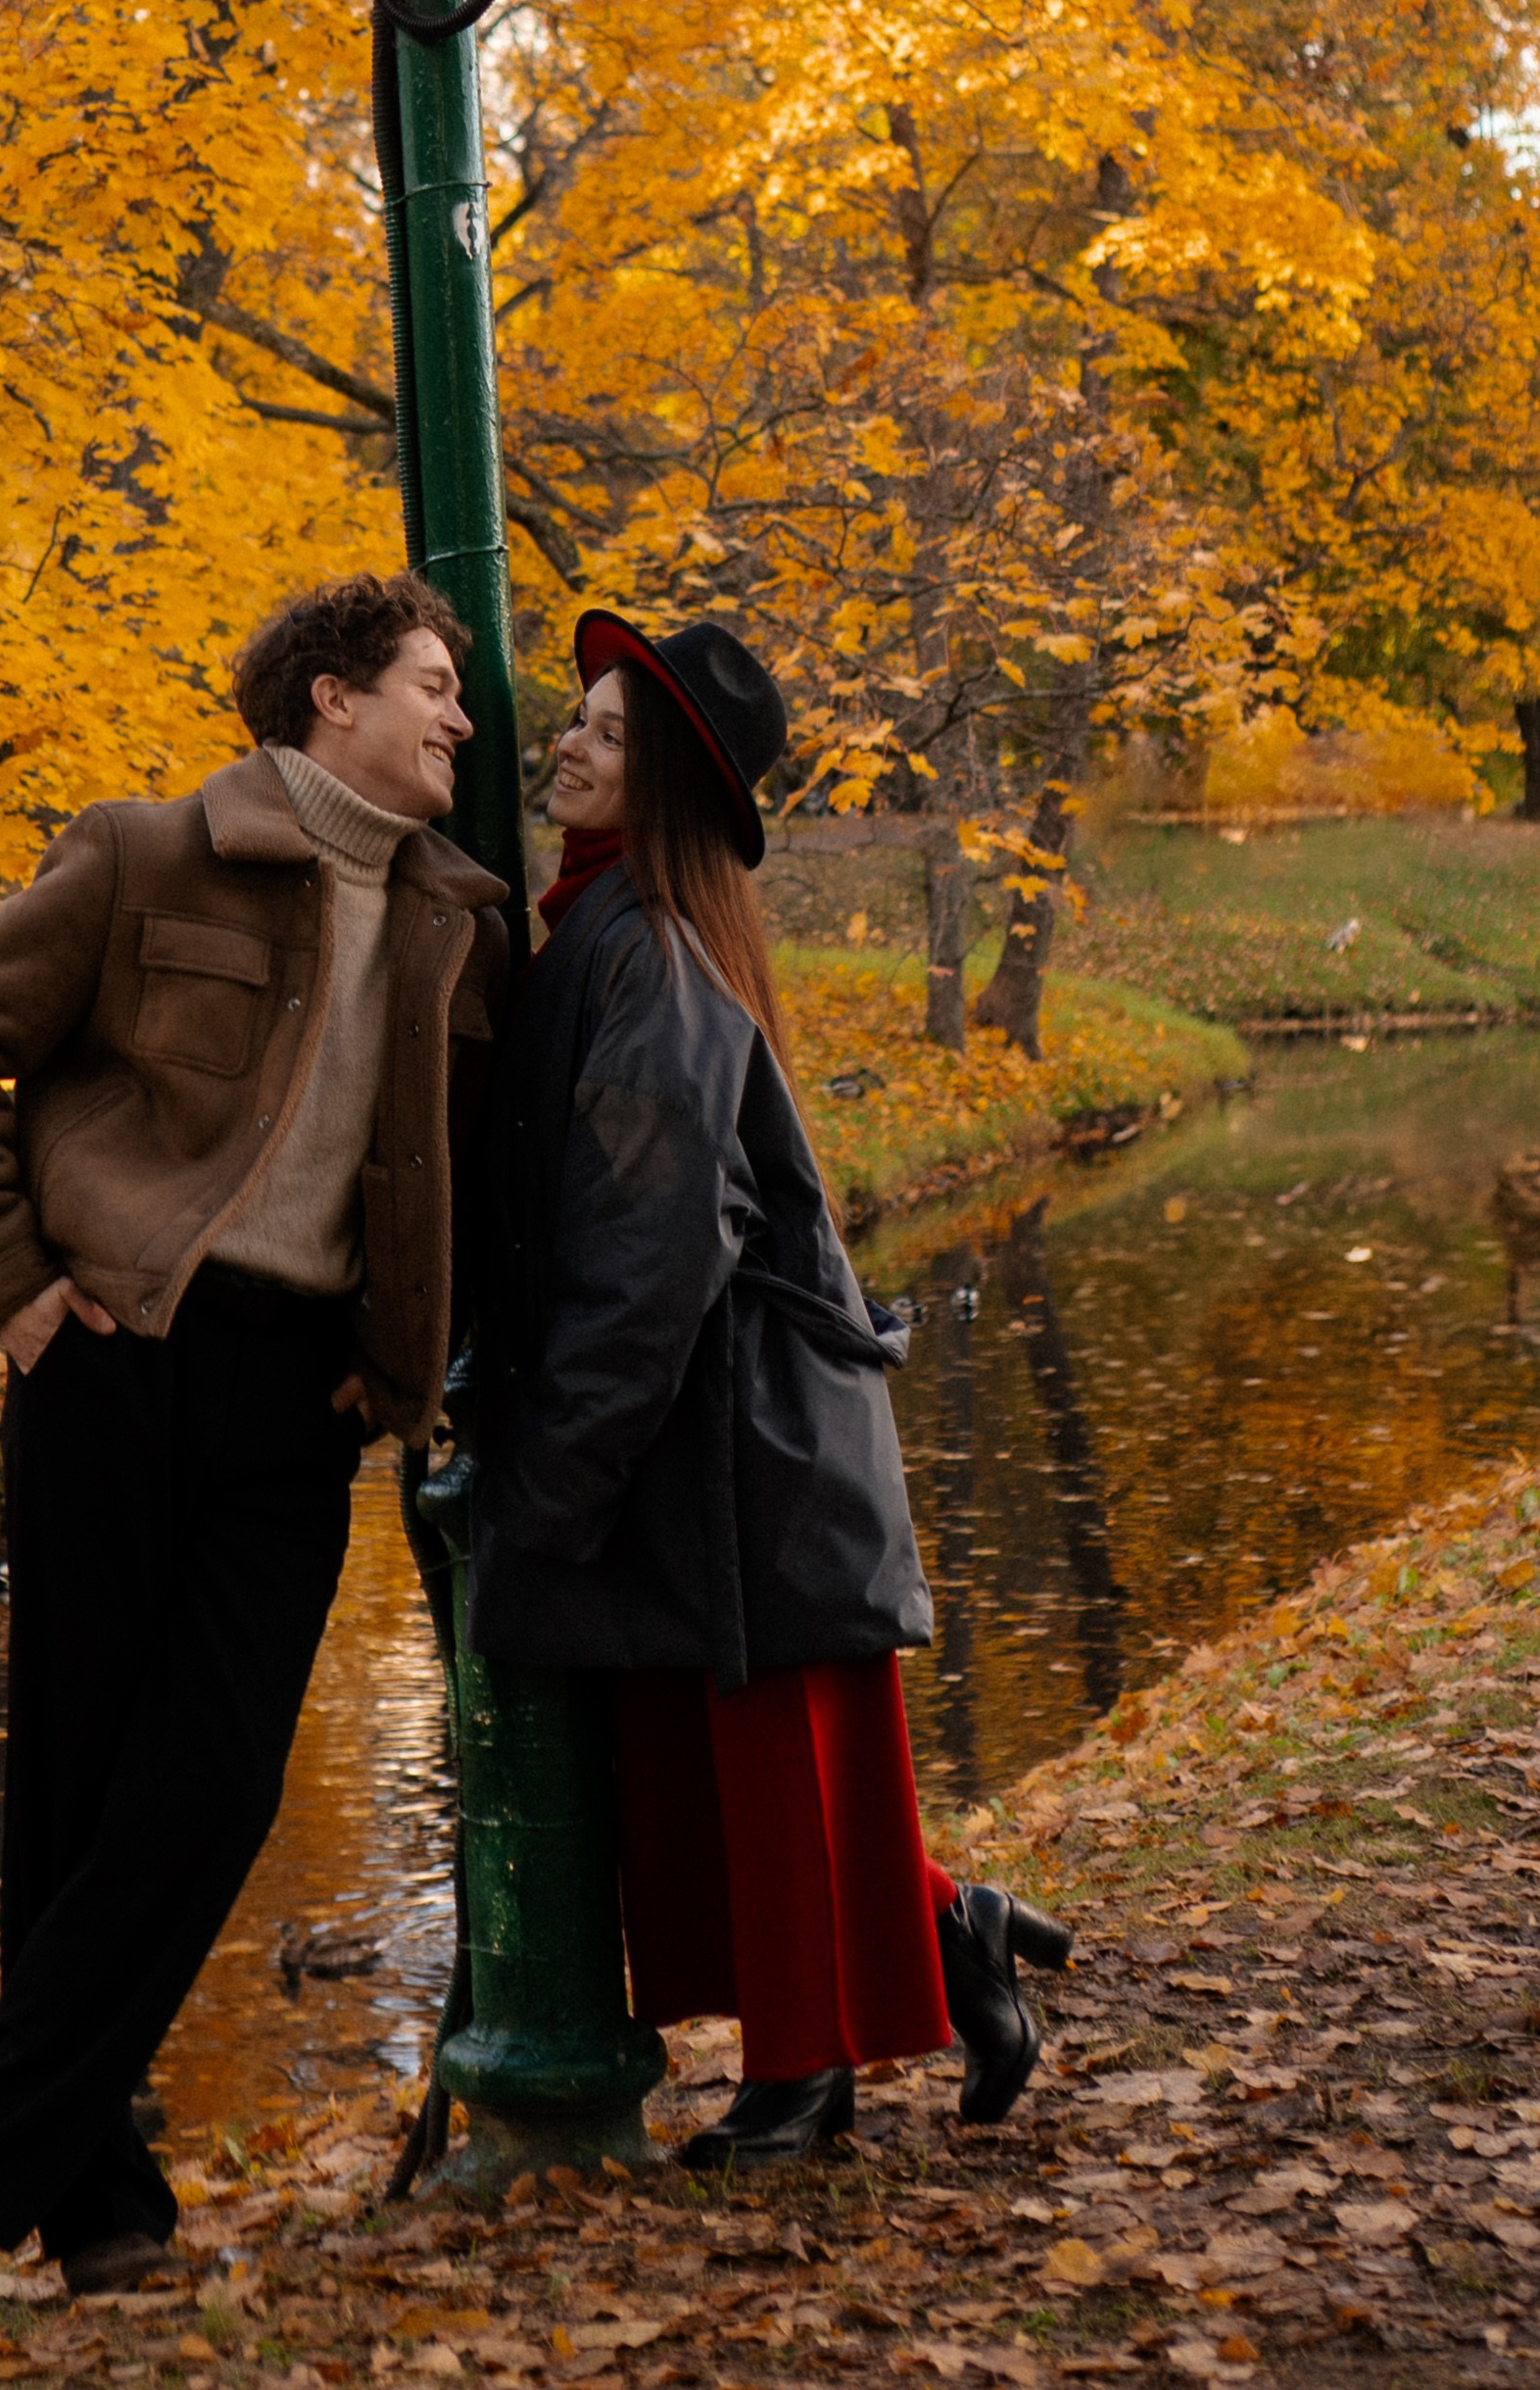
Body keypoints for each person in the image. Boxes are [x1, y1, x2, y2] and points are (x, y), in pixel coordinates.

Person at [0, 571, 510, 2311]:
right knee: (79, 1791)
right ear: (329, 701)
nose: (463, 721)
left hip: (299, 1396)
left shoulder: (461, 920)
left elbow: (453, 1178)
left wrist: (404, 1362)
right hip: (114, 1360)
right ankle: (99, 2211)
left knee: (214, 1788)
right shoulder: (147, 853)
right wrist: (8, 1295)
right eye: (435, 687)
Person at [468, 610, 1070, 2167]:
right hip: (704, 1444)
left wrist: (550, 1484)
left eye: (607, 729)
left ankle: (805, 2081)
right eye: (581, 719)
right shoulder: (611, 925)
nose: (571, 744)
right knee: (712, 1779)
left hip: (742, 1450)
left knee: (768, 1769)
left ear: (661, 777)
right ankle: (951, 1933)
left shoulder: (651, 952)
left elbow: (651, 1256)